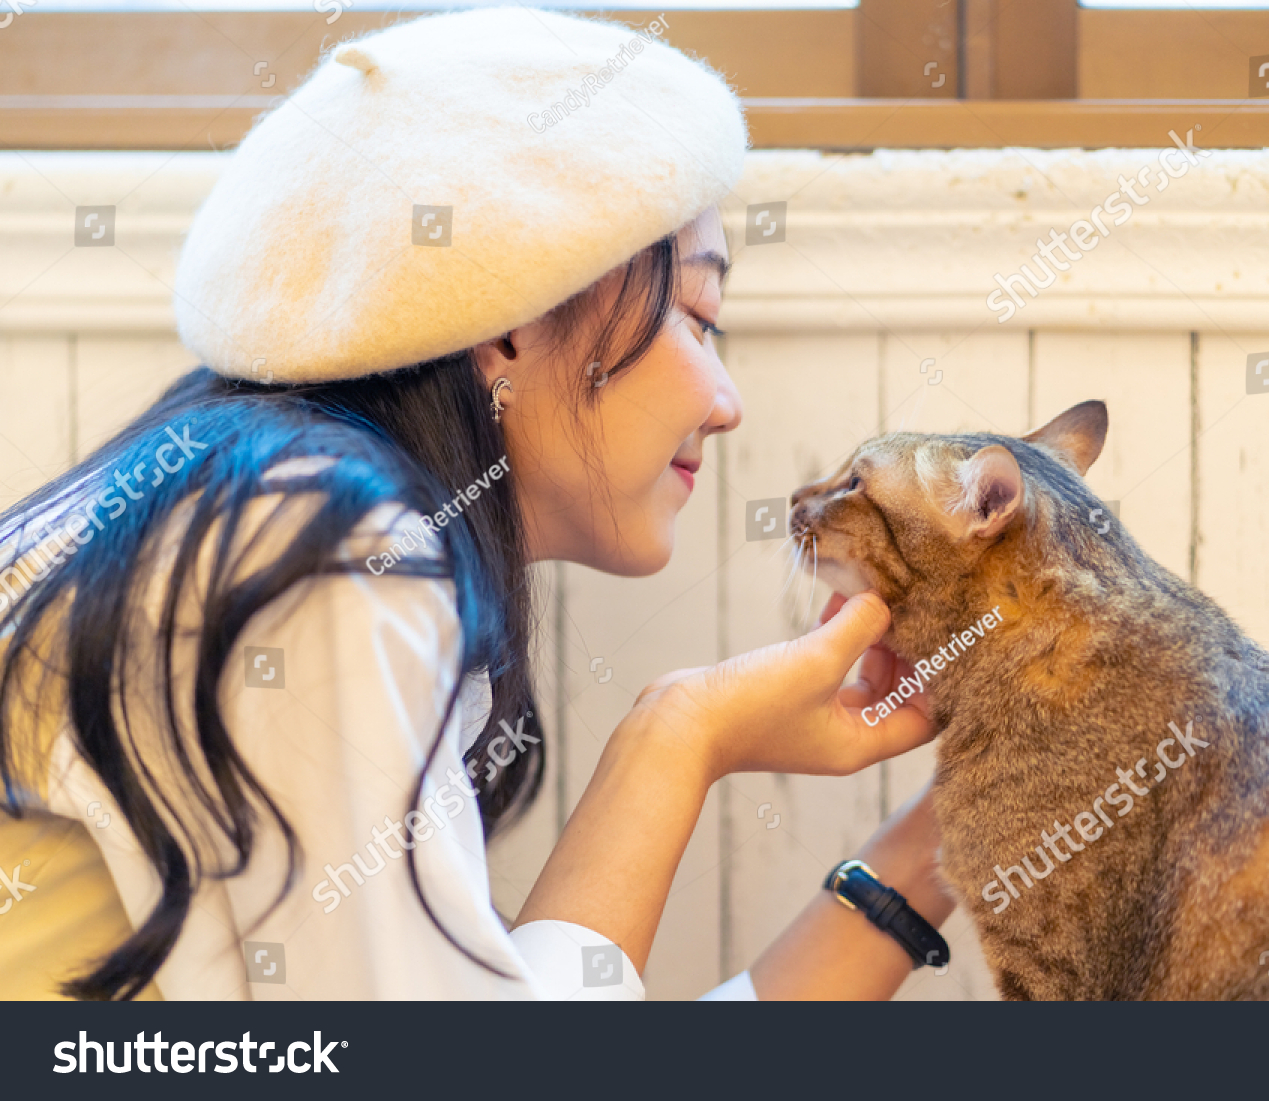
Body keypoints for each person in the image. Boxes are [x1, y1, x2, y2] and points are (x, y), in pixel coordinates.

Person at [0, 6, 949, 1001]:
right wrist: (677, 740)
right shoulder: (324, 552)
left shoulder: (273, 514)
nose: (726, 402)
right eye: (698, 317)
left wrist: (936, 846)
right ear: (510, 325)